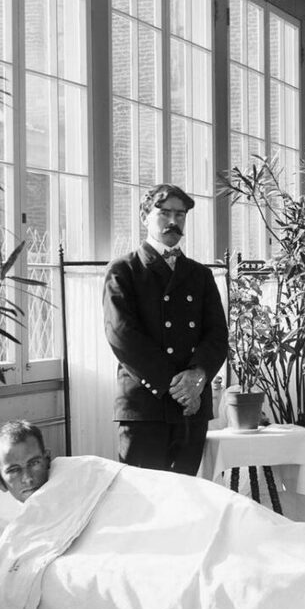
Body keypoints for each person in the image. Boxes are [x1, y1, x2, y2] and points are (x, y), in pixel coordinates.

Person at [103, 184, 228, 475]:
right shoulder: (124, 270)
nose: (174, 221)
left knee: (186, 500)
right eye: (165, 213)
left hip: (191, 408)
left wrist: (198, 376)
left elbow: (217, 335)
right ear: (145, 216)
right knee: (145, 505)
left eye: (180, 215)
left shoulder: (200, 274)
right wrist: (176, 387)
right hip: (147, 407)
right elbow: (122, 335)